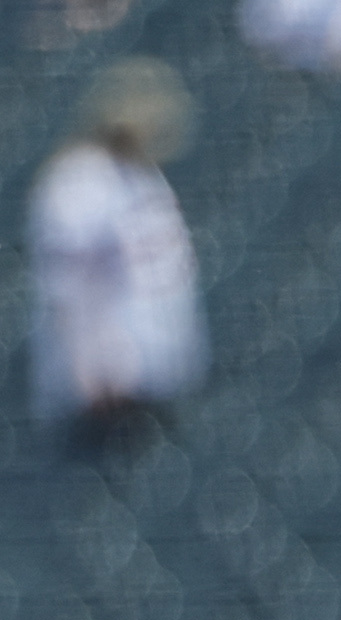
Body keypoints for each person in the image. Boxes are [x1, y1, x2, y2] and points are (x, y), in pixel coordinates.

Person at [27, 62, 204, 445]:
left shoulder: (141, 176)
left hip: (151, 378)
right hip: (101, 388)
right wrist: (88, 368)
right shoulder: (79, 180)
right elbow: (69, 286)